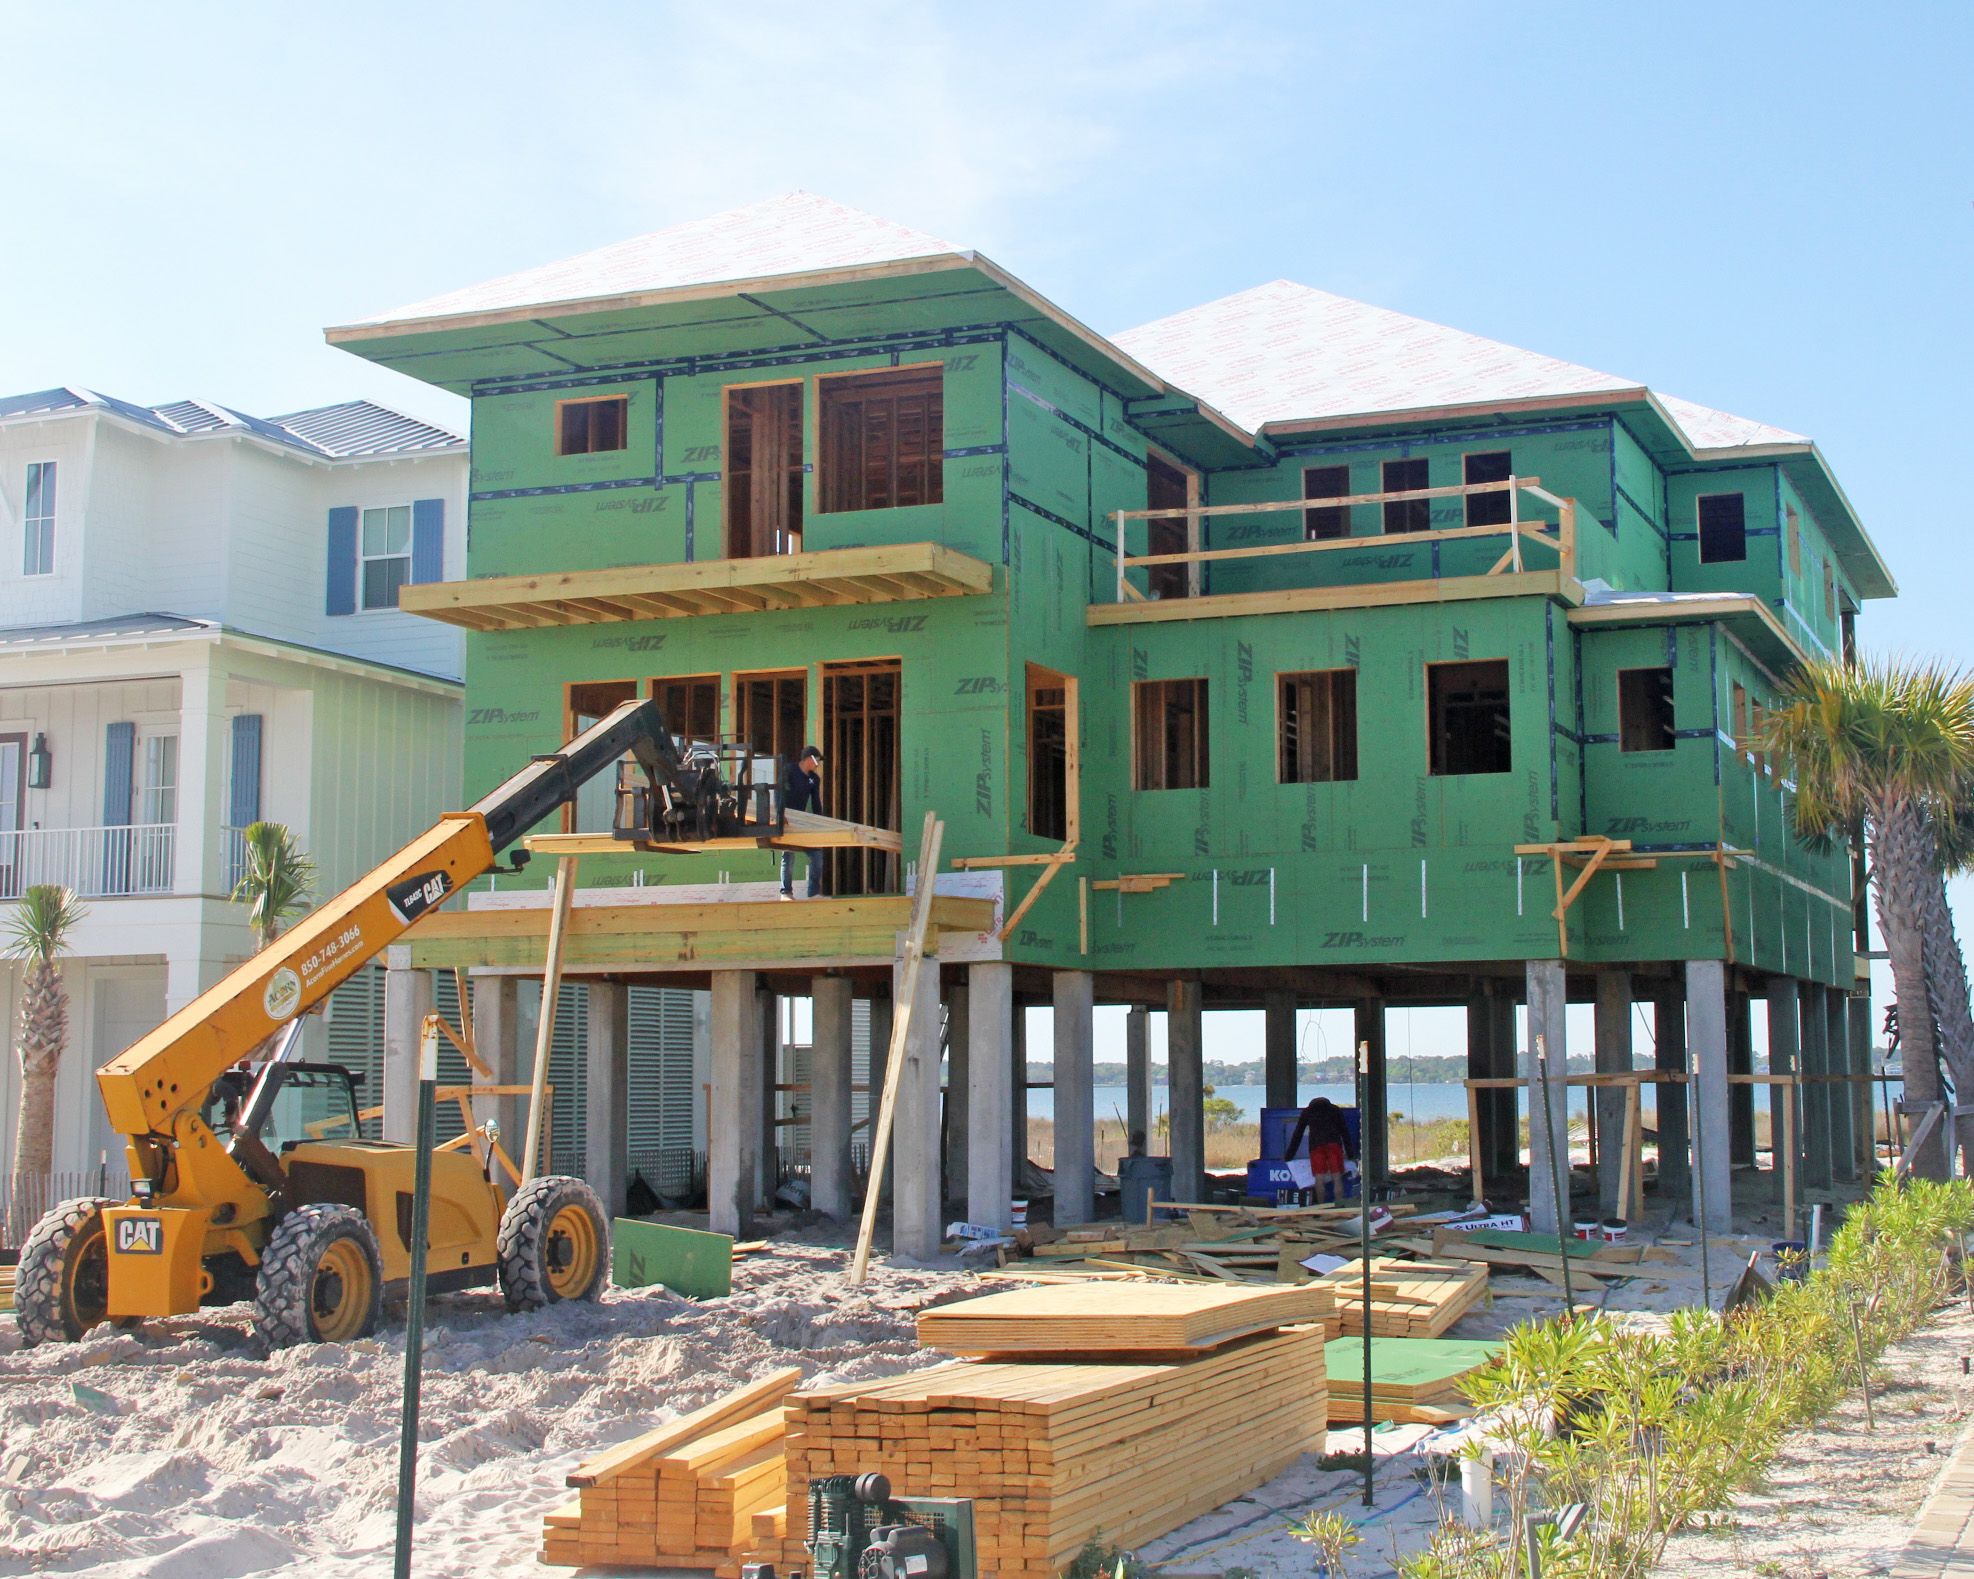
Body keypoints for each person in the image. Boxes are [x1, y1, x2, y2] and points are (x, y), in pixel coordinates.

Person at [1280, 1094, 1359, 1205]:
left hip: (1316, 1146)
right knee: (1337, 1177)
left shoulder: (1308, 1111)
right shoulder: (1335, 1110)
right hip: (1333, 1145)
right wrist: (1351, 1154)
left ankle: (1321, 1207)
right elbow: (1344, 1132)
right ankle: (1339, 1204)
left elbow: (1297, 1134)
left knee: (1319, 1178)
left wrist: (1289, 1156)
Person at [779, 744, 827, 899]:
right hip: (786, 819)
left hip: (802, 820)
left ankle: (813, 893)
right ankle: (786, 892)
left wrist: (819, 822)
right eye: (816, 761)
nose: (817, 764)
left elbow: (816, 803)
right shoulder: (789, 770)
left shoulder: (814, 779)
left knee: (817, 854)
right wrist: (780, 815)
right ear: (808, 759)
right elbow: (779, 792)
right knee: (788, 855)